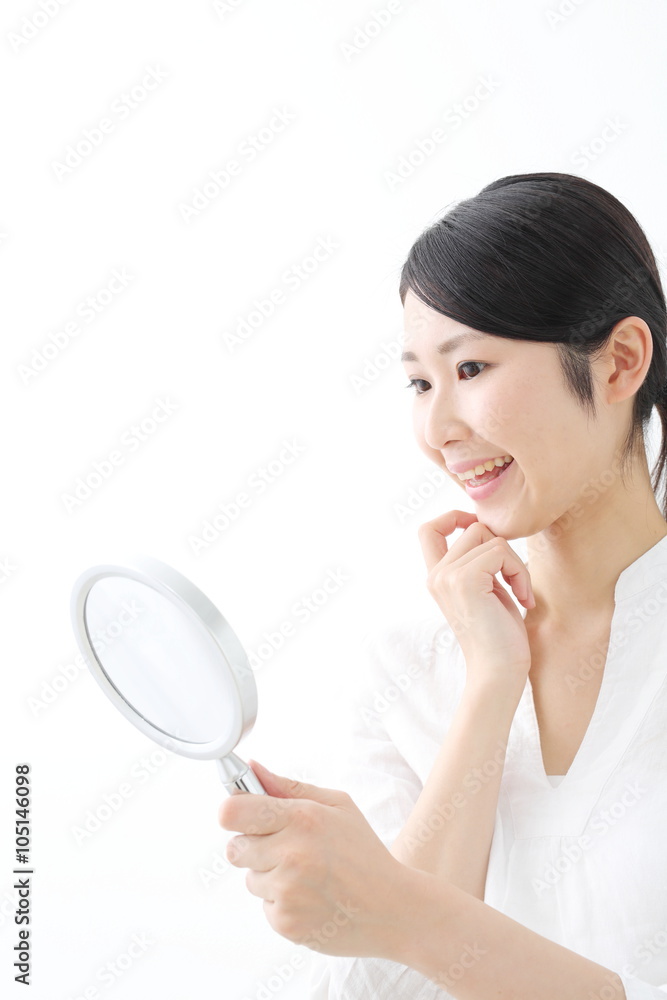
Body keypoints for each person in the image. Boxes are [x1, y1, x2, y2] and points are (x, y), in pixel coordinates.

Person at [219, 173, 667, 999]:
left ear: (619, 363)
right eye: (420, 383)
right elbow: (381, 991)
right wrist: (490, 683)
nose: (437, 430)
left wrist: (398, 909)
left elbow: (395, 926)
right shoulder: (410, 660)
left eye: (471, 367)